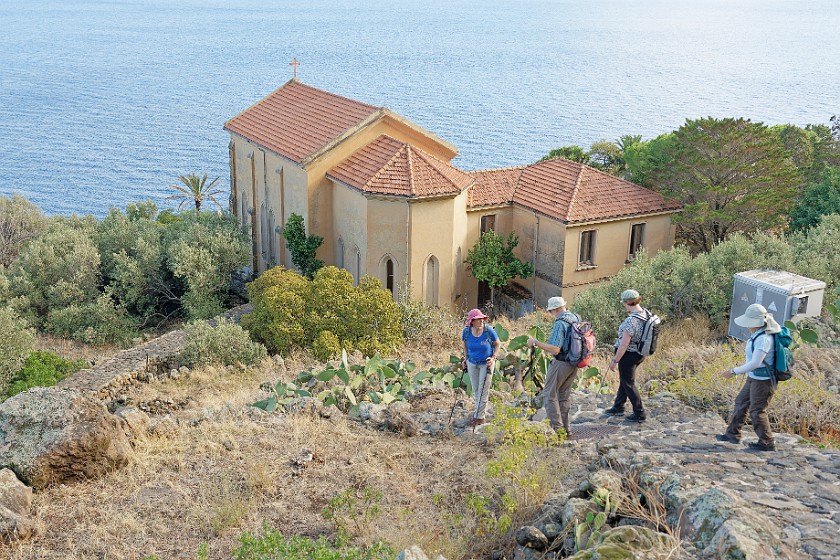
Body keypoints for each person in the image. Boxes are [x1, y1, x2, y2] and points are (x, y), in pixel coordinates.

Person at [716, 303, 781, 451]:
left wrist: (733, 371)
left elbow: (755, 363)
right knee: (741, 402)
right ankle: (732, 434)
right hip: (754, 378)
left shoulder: (764, 339)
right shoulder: (758, 334)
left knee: (757, 411)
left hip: (763, 381)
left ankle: (767, 442)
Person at [528, 296, 580, 435]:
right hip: (574, 362)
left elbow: (555, 348)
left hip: (561, 363)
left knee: (549, 395)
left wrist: (536, 343)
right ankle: (566, 428)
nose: (551, 314)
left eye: (551, 311)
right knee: (563, 396)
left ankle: (557, 429)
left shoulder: (560, 323)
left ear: (556, 309)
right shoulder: (575, 317)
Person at [605, 289, 648, 422]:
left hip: (628, 355)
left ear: (627, 302)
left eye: (624, 302)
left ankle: (639, 413)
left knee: (629, 383)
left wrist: (615, 360)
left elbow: (624, 345)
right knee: (625, 380)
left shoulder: (631, 321)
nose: (623, 305)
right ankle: (618, 406)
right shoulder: (645, 314)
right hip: (640, 353)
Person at [462, 308, 501, 427]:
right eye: (478, 319)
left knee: (483, 390)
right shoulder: (467, 332)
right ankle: (477, 413)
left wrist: (493, 357)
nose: (481, 321)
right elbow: (465, 345)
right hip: (472, 362)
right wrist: (465, 359)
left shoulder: (488, 330)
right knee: (476, 389)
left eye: (482, 319)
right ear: (472, 321)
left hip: (486, 363)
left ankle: (479, 417)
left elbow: (497, 343)